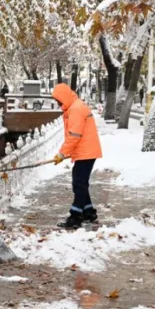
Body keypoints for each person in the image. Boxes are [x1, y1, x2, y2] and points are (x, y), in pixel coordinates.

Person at [51, 82, 103, 228]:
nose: (58, 103)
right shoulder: (75, 106)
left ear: (63, 97)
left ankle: (75, 217)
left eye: (58, 100)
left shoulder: (76, 109)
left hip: (86, 152)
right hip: (85, 151)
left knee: (79, 184)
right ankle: (89, 212)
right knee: (80, 183)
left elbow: (74, 135)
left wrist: (62, 153)